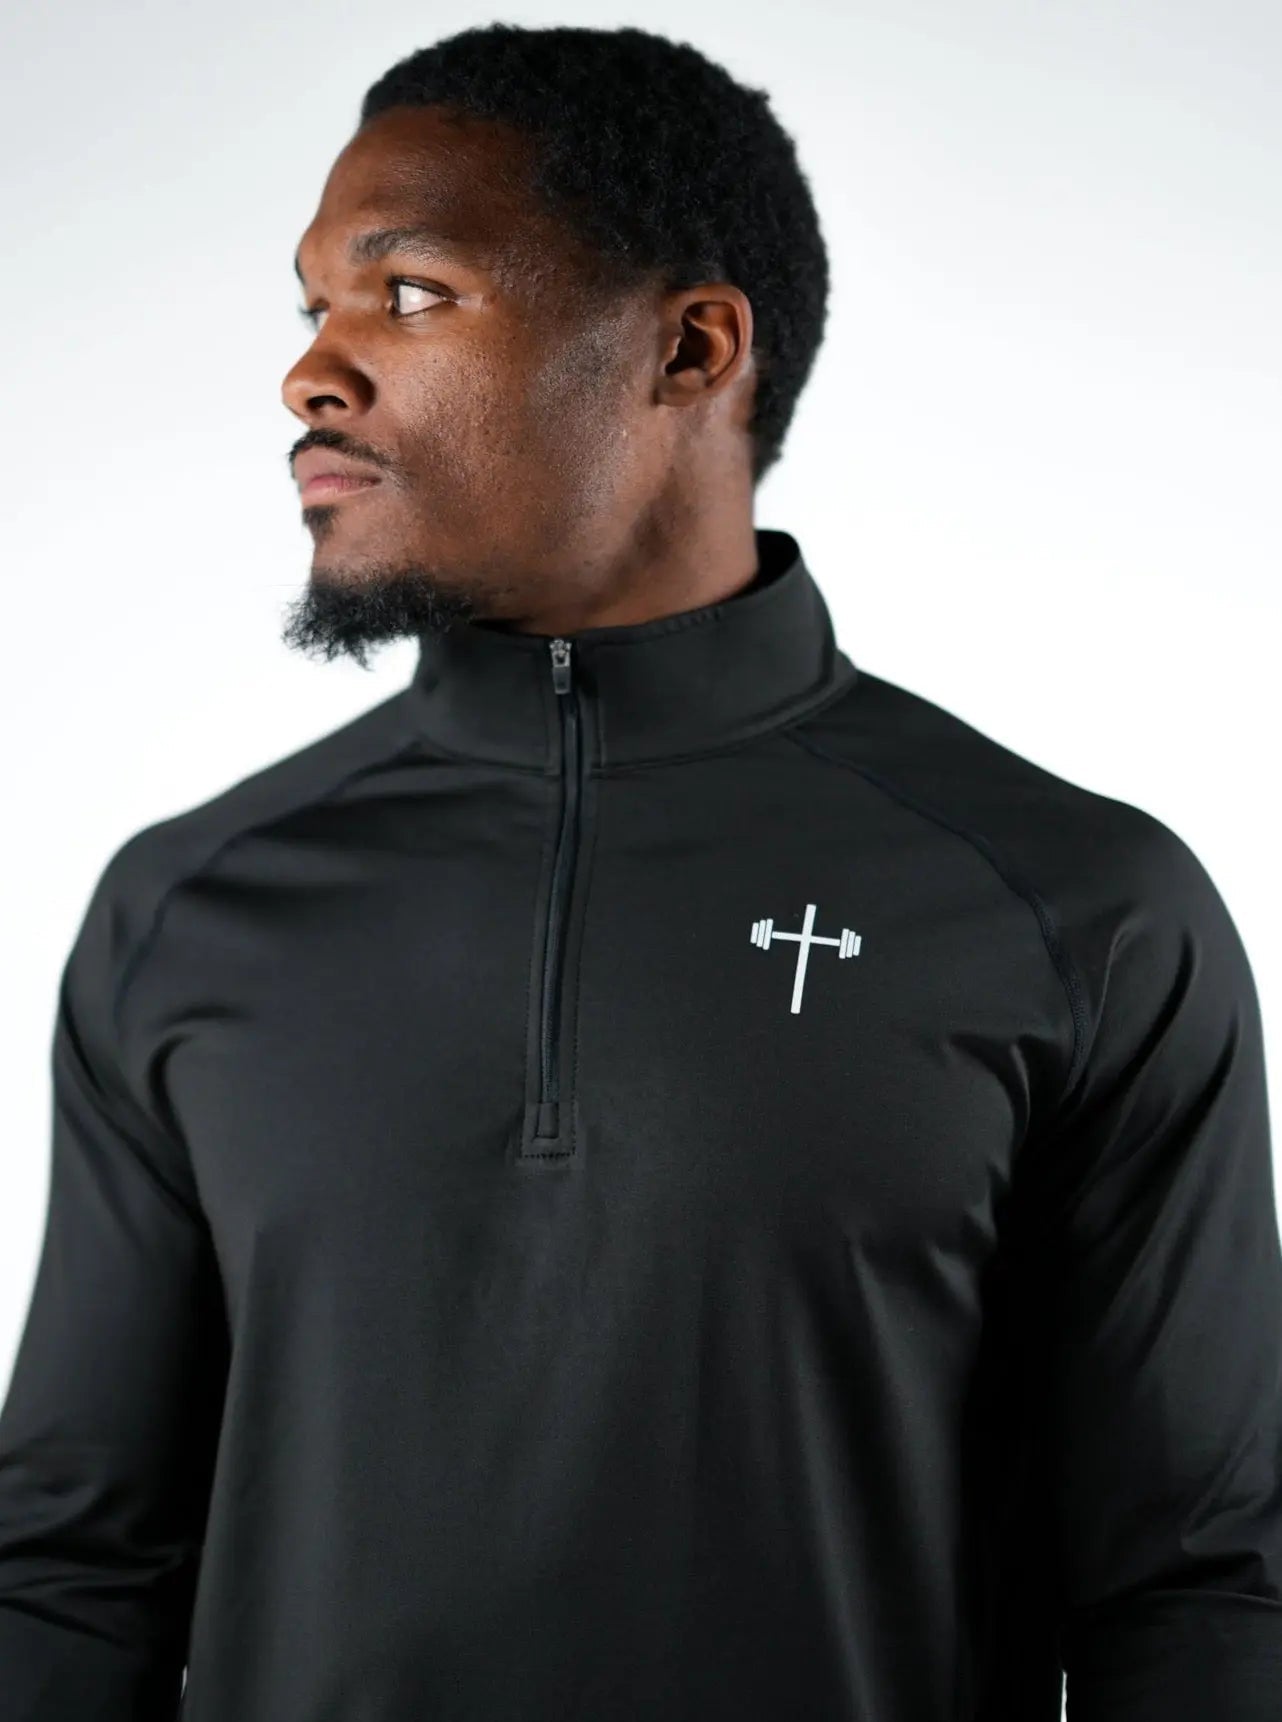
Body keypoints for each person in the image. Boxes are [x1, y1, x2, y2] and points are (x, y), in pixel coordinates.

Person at [1, 21, 1279, 1722]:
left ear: (689, 348)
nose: (311, 374)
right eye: (311, 307)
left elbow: (1195, 1591)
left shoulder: (1075, 906)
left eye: (410, 294)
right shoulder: (185, 909)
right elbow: (71, 1574)